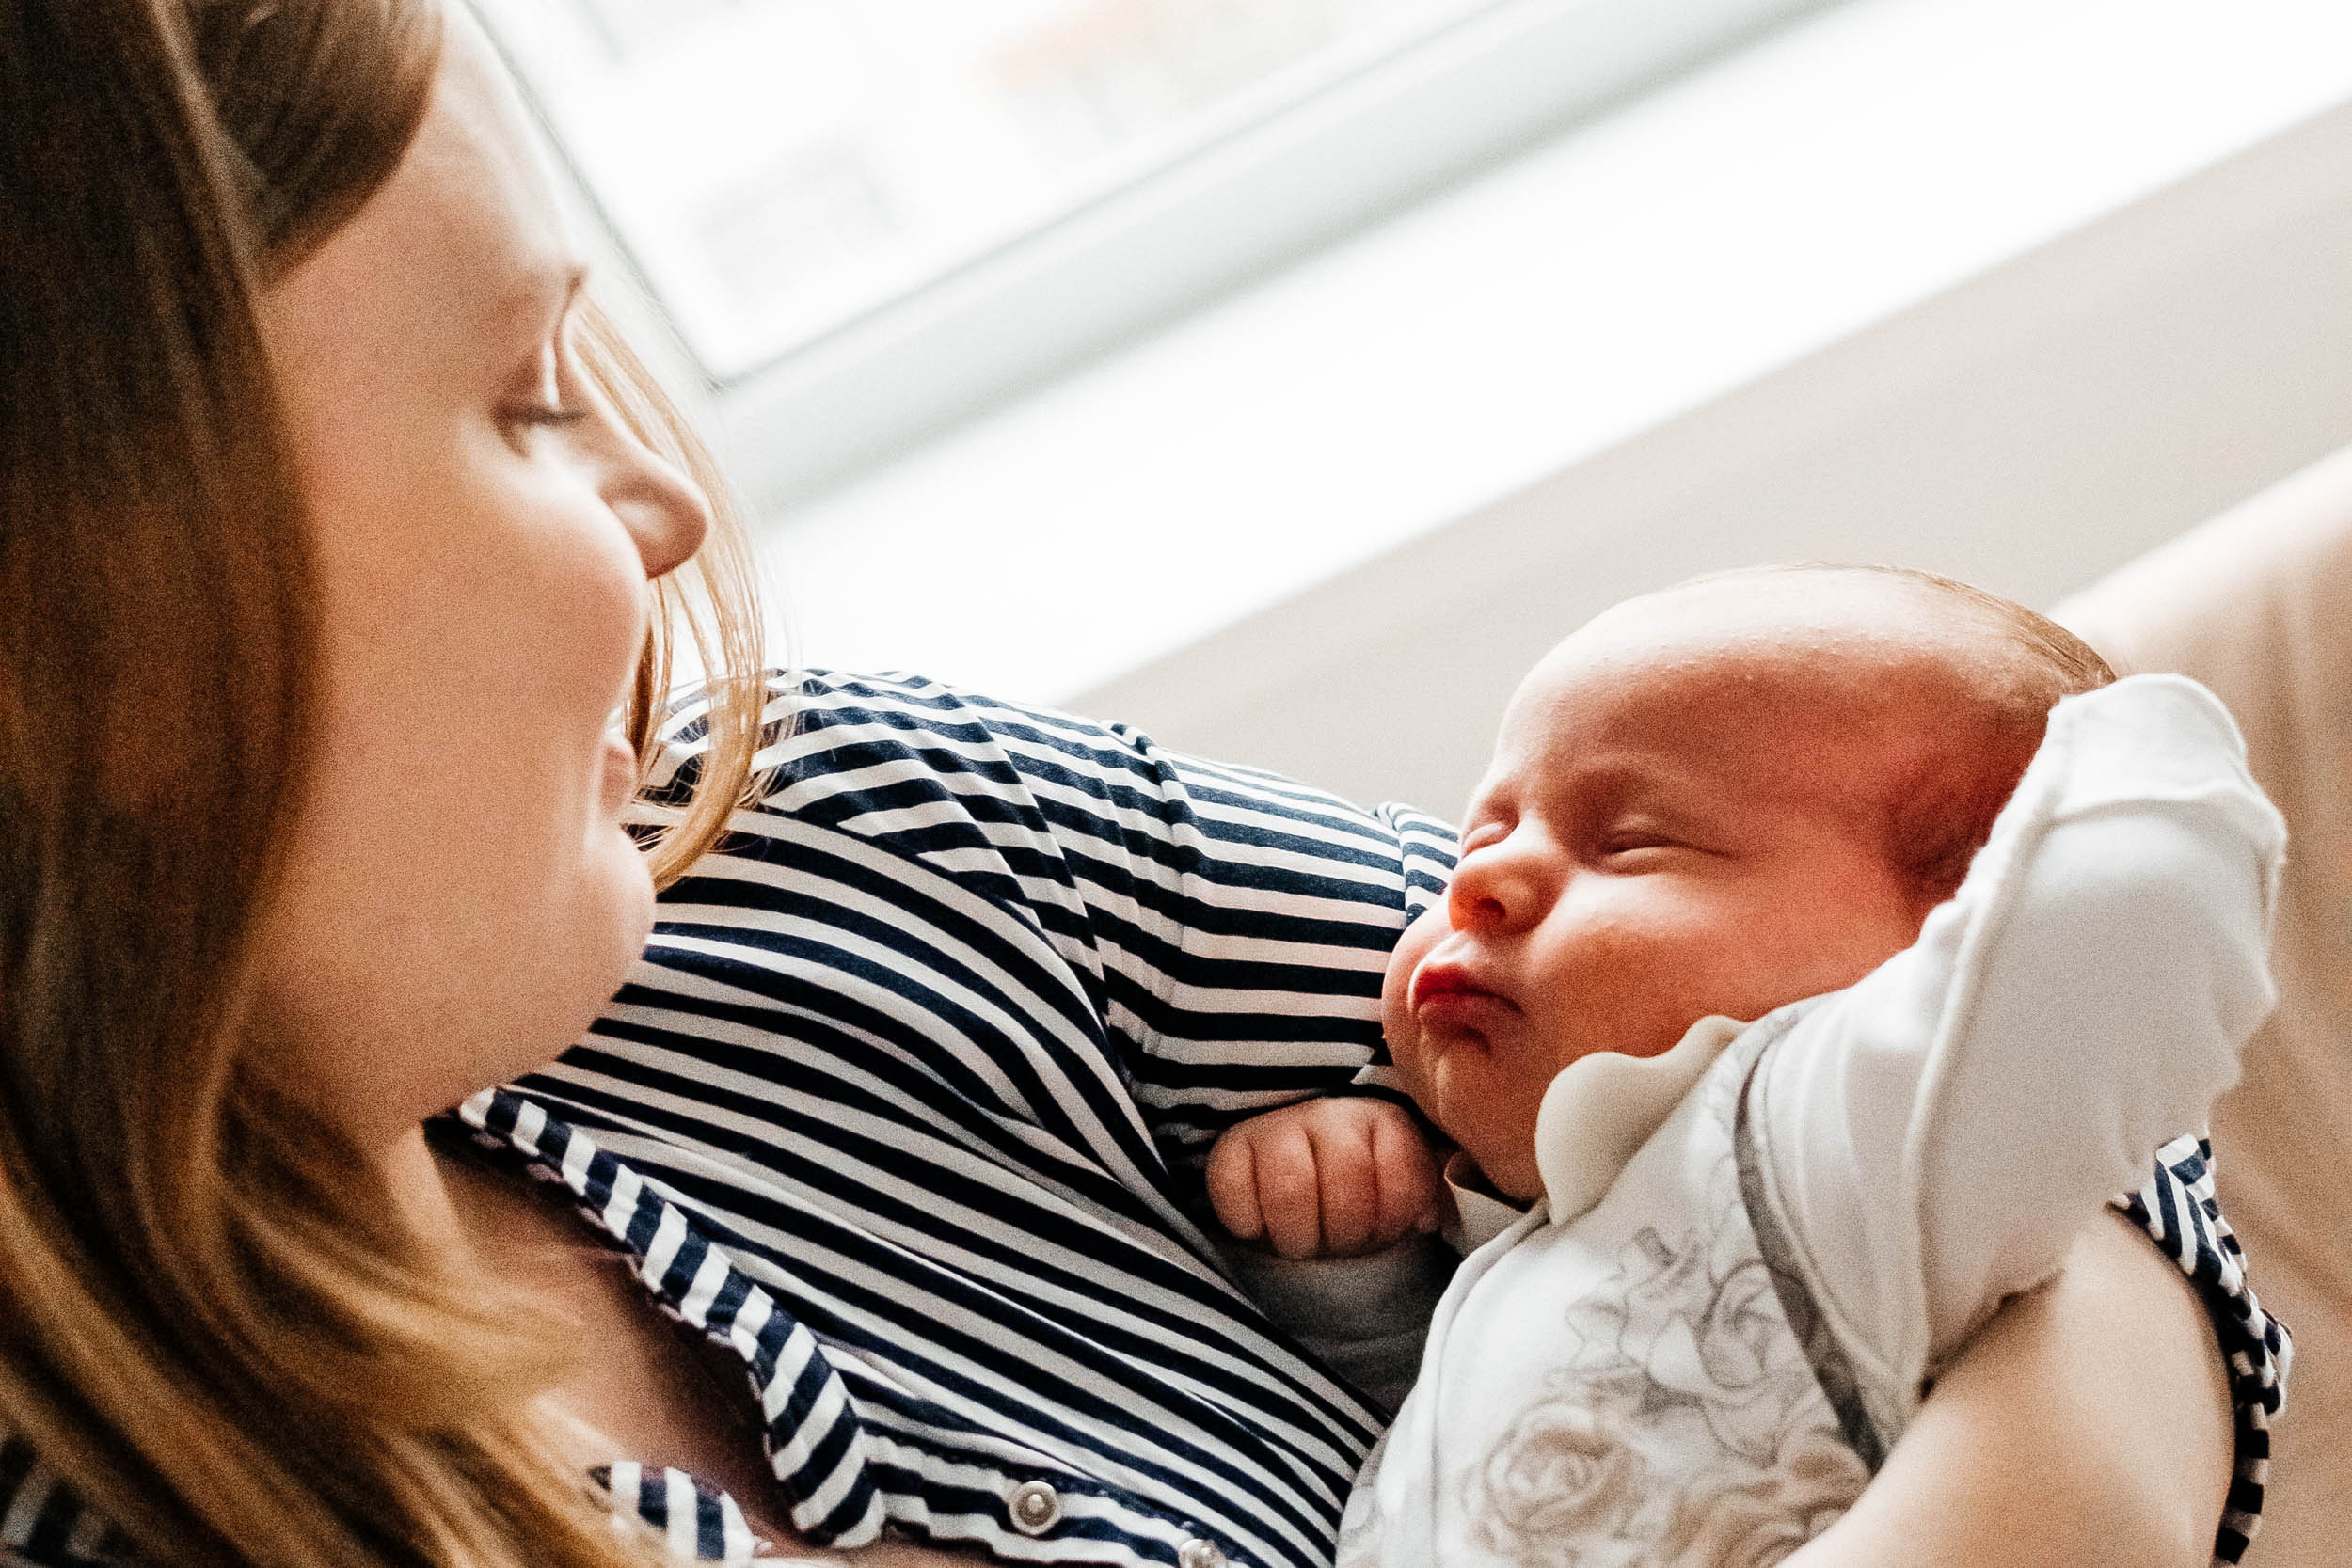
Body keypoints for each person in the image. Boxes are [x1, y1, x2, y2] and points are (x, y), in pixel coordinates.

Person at [0, 3, 2282, 1566]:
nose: (659, 511)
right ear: (96, 649)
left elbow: (1996, 1059)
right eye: (515, 404)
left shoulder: (846, 847)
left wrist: (2040, 1507)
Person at [1198, 567, 2285, 1563]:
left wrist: (2116, 774)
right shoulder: (1550, 1225)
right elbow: (1486, 1458)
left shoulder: (1832, 1138)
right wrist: (1365, 1277)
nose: (1479, 884)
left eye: (1629, 841)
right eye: (1484, 834)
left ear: (1958, 927)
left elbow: (2136, 901)